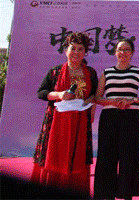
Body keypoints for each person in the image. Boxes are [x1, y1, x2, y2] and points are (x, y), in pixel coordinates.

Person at [31, 32, 98, 196]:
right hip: (57, 124)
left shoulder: (90, 73)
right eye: (72, 48)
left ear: (85, 52)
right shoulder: (55, 72)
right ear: (66, 50)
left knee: (78, 160)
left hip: (80, 124)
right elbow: (41, 93)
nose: (76, 52)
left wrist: (90, 100)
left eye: (80, 49)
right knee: (54, 157)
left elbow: (94, 94)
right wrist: (59, 94)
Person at [94, 38, 139, 200]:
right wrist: (112, 102)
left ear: (132, 53)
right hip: (109, 117)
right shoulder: (106, 73)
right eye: (120, 49)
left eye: (127, 49)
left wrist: (132, 101)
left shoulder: (138, 72)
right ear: (115, 52)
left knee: (129, 155)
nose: (123, 53)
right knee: (107, 155)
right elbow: (98, 97)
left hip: (130, 117)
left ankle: (126, 194)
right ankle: (106, 194)